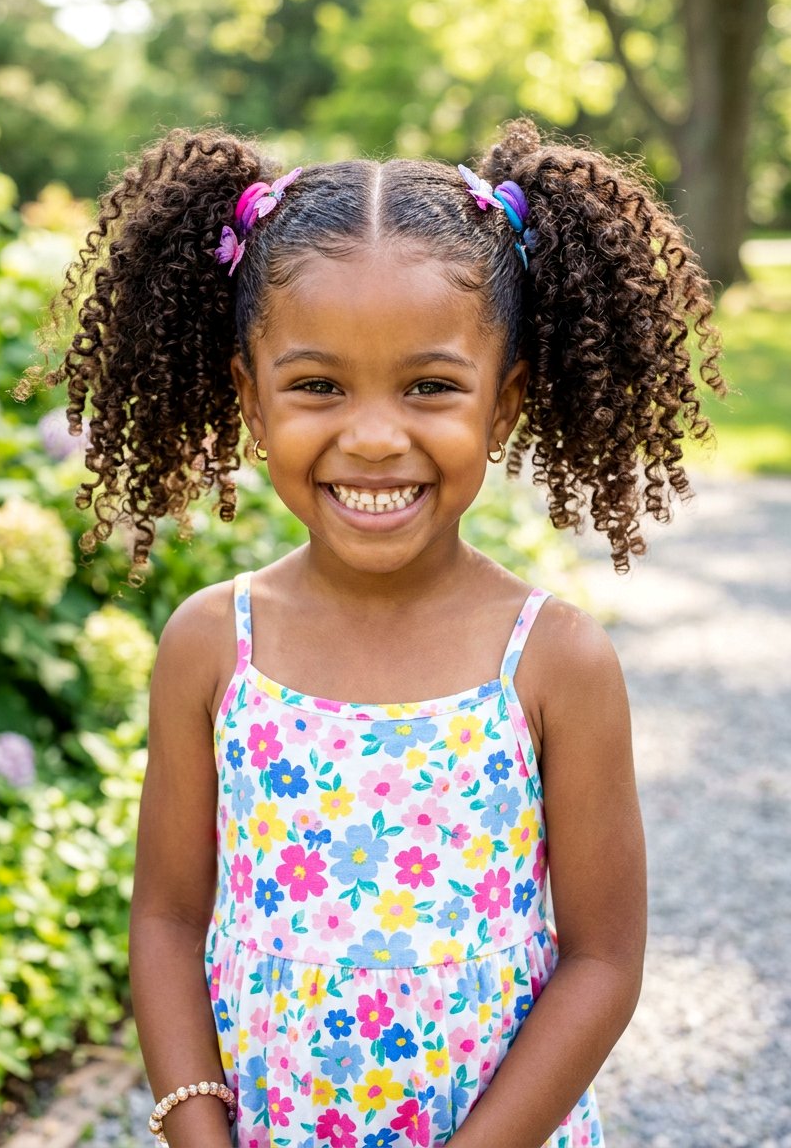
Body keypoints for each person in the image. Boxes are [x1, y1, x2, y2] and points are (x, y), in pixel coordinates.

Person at [39, 118, 724, 1148]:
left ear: (504, 404)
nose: (370, 435)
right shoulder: (212, 645)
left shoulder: (550, 661)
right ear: (250, 400)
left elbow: (600, 961)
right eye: (316, 385)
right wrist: (198, 1129)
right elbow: (168, 923)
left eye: (430, 386)